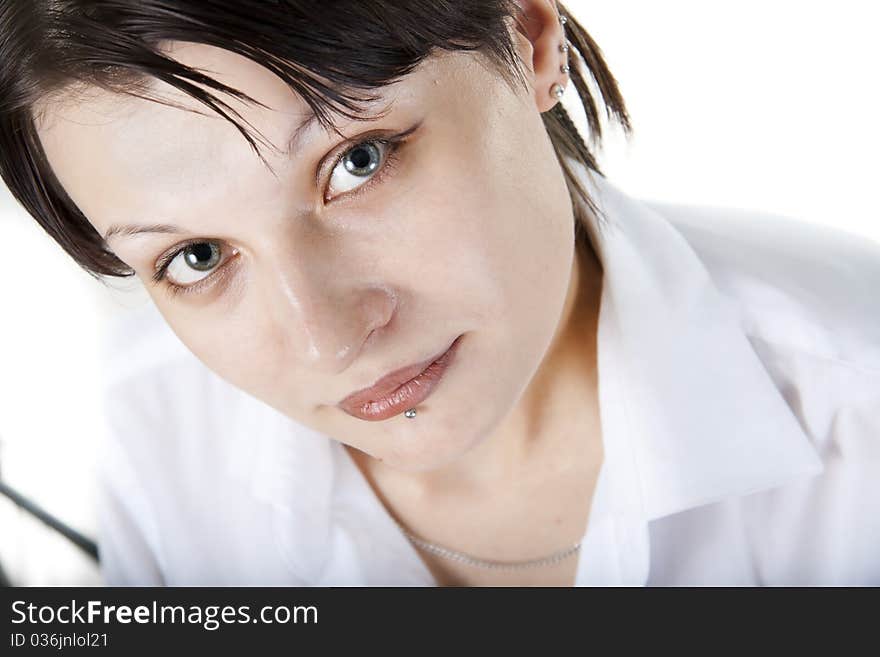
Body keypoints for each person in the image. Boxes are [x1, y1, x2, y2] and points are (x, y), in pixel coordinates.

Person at [1, 1, 878, 587]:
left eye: (357, 162)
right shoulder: (160, 435)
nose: (329, 341)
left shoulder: (855, 408)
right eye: (196, 257)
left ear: (528, 36)